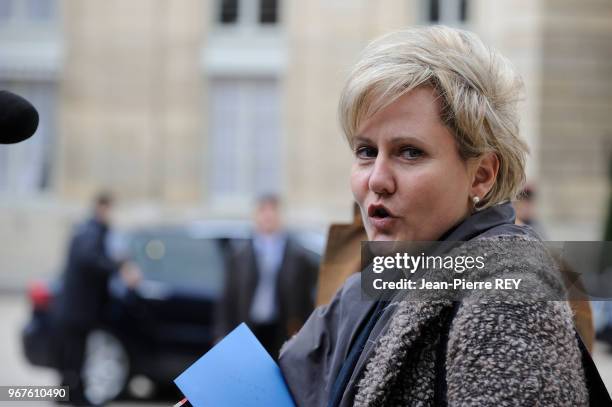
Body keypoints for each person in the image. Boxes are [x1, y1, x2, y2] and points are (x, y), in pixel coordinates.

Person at [278, 26, 602, 406]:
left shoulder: (510, 302)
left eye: (410, 152)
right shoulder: (365, 288)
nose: (377, 179)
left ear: (481, 174)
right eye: (366, 151)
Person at [55, 192, 139, 406]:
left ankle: (69, 394)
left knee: (74, 353)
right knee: (74, 353)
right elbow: (91, 261)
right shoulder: (90, 232)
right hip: (78, 308)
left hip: (79, 307)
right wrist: (119, 265)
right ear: (101, 207)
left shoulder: (92, 231)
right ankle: (73, 395)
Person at [216, 194, 319, 357]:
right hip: (248, 326)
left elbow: (306, 298)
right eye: (263, 210)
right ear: (255, 215)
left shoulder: (297, 255)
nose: (268, 216)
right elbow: (228, 298)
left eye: (273, 210)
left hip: (282, 327)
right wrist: (222, 334)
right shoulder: (239, 254)